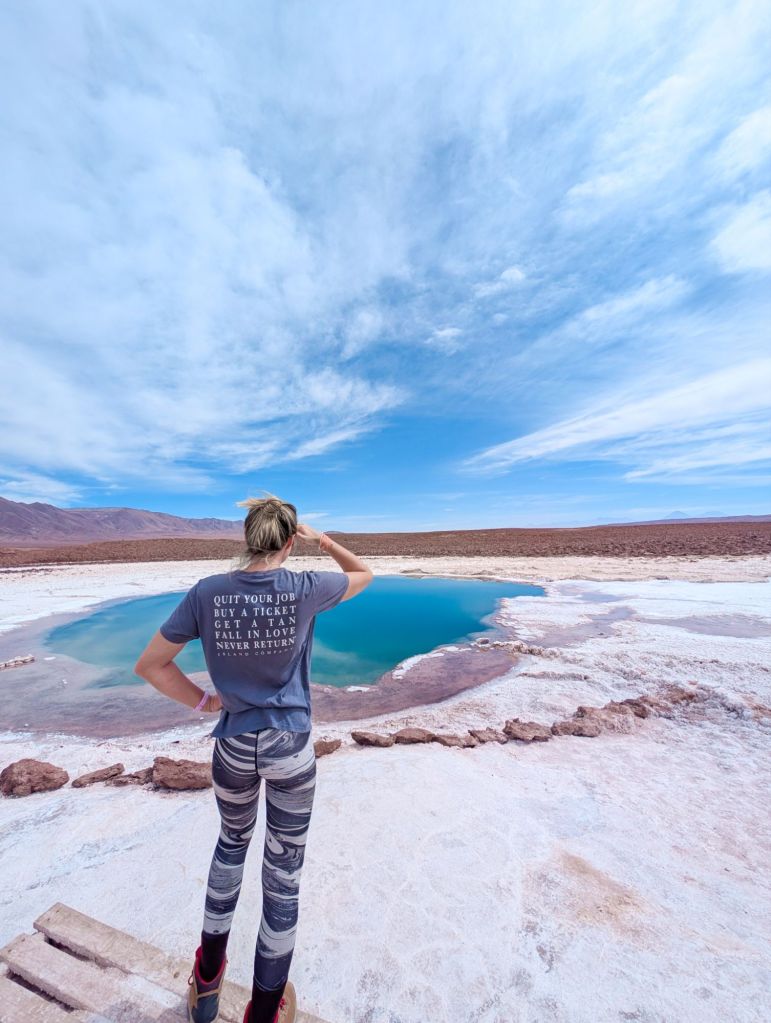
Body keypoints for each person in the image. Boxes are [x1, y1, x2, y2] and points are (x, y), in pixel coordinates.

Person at [134, 494, 374, 1023]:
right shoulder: (308, 587)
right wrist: (322, 540)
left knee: (231, 846)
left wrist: (206, 701)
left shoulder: (206, 593)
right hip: (289, 748)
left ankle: (206, 980)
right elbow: (364, 573)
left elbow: (151, 665)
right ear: (289, 541)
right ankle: (264, 1010)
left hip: (234, 747)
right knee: (283, 872)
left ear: (246, 539)